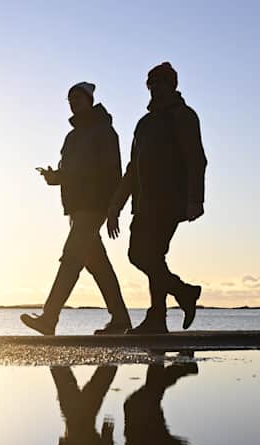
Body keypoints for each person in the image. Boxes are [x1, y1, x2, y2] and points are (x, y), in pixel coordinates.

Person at [21, 82, 131, 336]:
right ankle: (121, 319)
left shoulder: (104, 131)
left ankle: (49, 318)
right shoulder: (73, 136)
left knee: (71, 258)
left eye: (78, 99)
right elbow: (74, 172)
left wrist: (113, 207)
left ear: (89, 100)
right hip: (76, 207)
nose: (73, 103)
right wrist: (55, 177)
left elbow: (112, 170)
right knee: (97, 263)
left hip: (94, 205)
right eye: (70, 100)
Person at [108, 62, 207, 334]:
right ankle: (178, 298)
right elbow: (132, 168)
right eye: (151, 84)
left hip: (170, 201)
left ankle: (159, 314)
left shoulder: (183, 116)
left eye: (161, 83)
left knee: (147, 255)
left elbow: (196, 158)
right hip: (143, 202)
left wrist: (195, 199)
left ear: (172, 85)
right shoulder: (145, 123)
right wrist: (116, 204)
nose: (155, 88)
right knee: (142, 256)